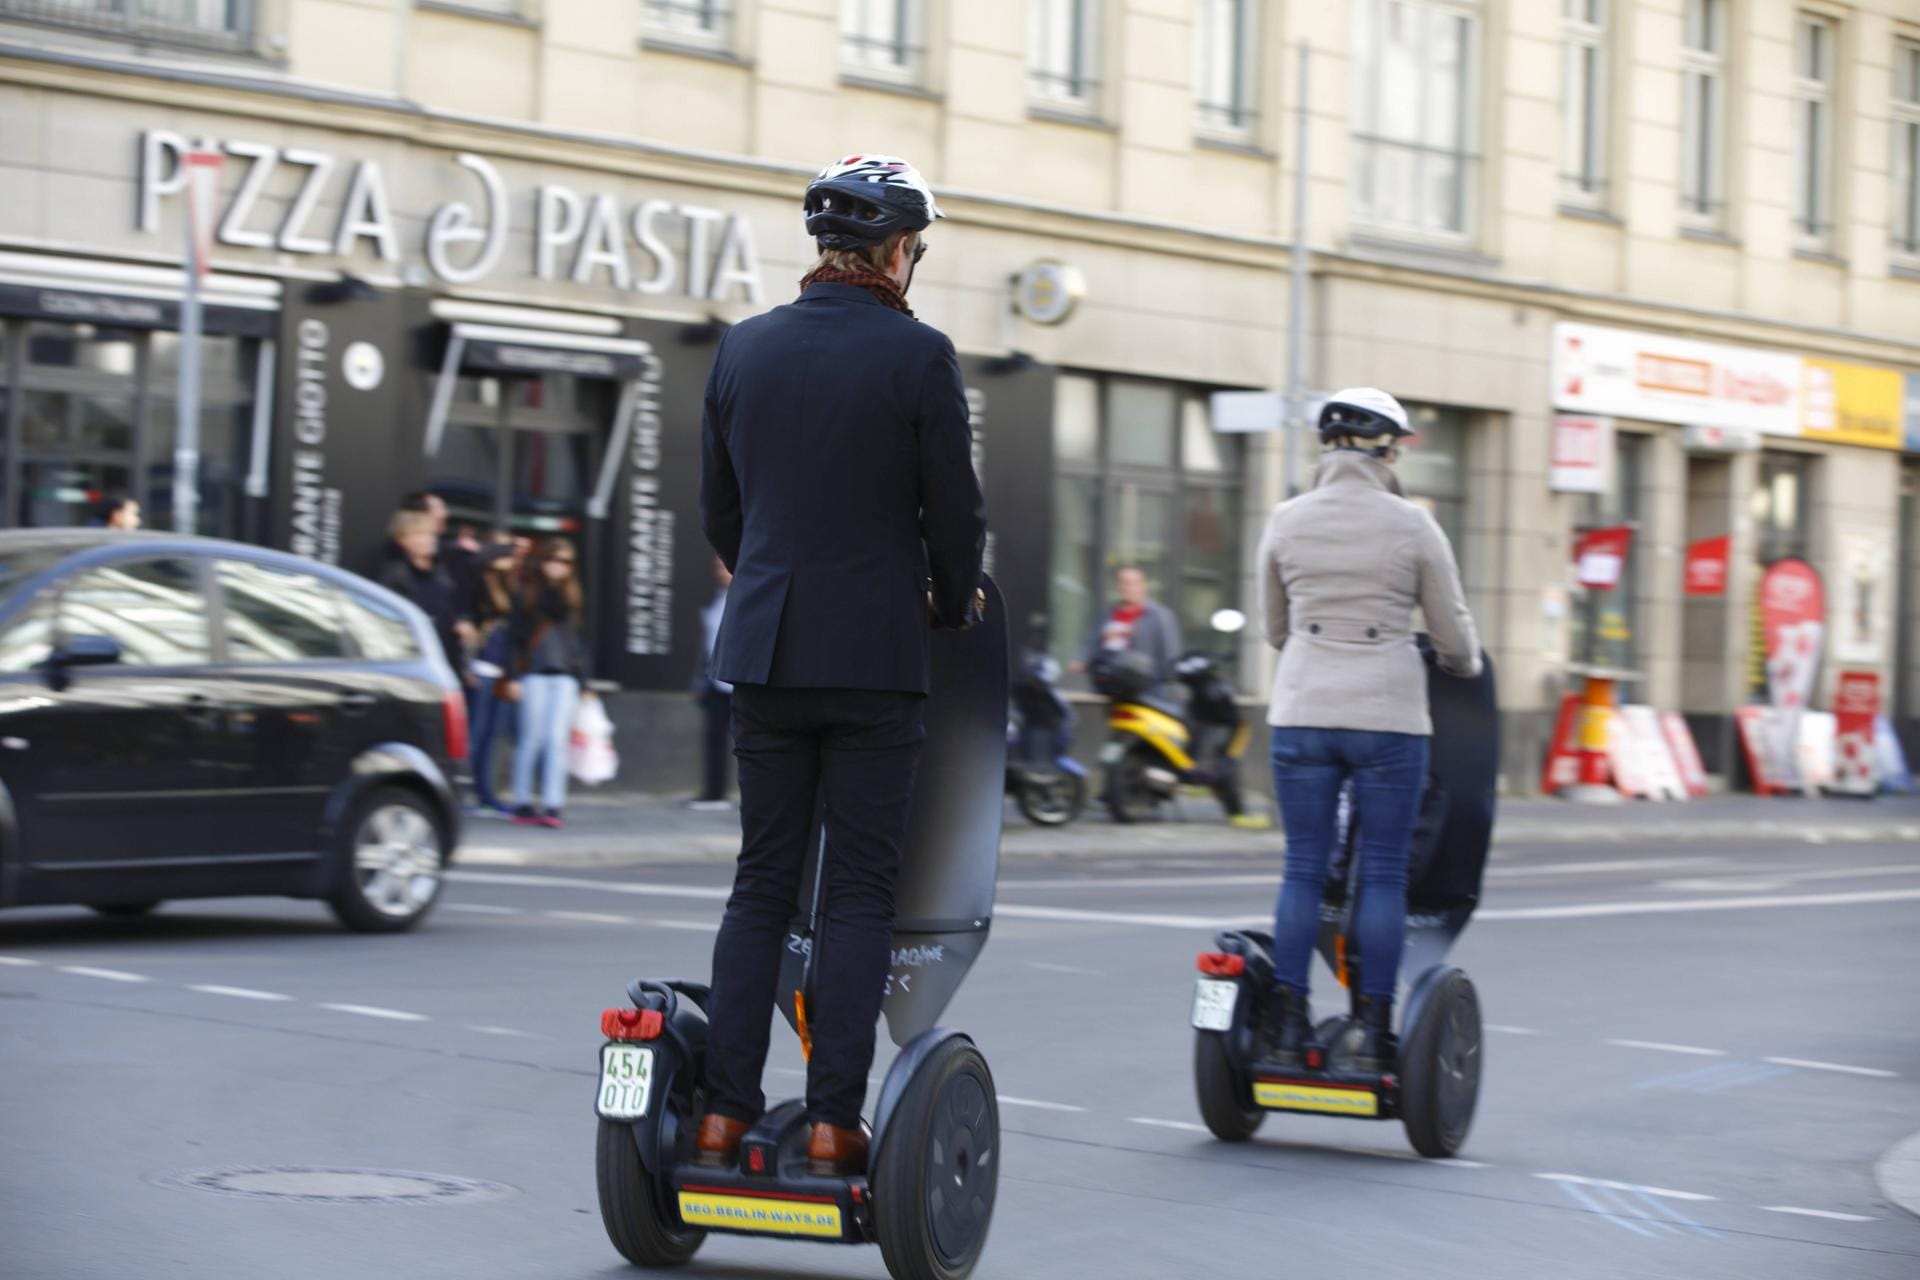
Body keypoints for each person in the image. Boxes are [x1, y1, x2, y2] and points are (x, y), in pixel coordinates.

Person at [693, 153, 986, 1176]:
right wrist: (952, 600)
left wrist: (768, 572)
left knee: (761, 882)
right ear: (899, 251)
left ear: (825, 248)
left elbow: (719, 510)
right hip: (873, 660)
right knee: (859, 890)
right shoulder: (920, 356)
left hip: (766, 652)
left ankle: (724, 1113)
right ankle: (832, 1121)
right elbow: (956, 513)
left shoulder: (746, 348)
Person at [1254, 387, 1481, 1073]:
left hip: (1302, 712)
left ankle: (1290, 1024)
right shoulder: (1413, 526)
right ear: (1388, 448)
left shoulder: (1286, 520)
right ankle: (1373, 1032)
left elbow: (1273, 627)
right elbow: (1453, 633)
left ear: (1327, 447)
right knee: (1381, 874)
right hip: (1386, 719)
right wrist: (1460, 663)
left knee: (1301, 869)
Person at [506, 537, 591, 829]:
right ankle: (522, 801)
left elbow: (579, 643)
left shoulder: (574, 597)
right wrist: (513, 677)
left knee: (556, 742)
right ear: (544, 560)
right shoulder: (528, 593)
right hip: (534, 673)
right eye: (555, 559)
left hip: (565, 676)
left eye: (566, 562)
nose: (559, 566)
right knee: (531, 739)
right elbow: (515, 639)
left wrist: (585, 682)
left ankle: (553, 805)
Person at [466, 531, 525, 816]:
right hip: (478, 667)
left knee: (491, 735)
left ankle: (484, 794)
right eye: (505, 552)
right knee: (474, 735)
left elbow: (513, 636)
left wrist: (512, 675)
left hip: (499, 669)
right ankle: (463, 793)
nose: (511, 557)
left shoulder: (509, 586)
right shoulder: (476, 581)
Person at [379, 510, 463, 674]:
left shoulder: (442, 574)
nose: (428, 540)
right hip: (413, 665)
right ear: (402, 540)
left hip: (446, 663)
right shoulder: (395, 577)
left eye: (430, 534)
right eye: (419, 534)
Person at [1073, 566, 1182, 690]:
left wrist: (1171, 681)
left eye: (1133, 583)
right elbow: (1091, 641)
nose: (1127, 588)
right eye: (1123, 583)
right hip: (1108, 683)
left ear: (1143, 586)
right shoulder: (1107, 613)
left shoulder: (1160, 616)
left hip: (1144, 687)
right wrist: (1080, 660)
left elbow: (1170, 652)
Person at [688, 556, 735, 812]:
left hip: (740, 684)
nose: (721, 572)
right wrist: (698, 683)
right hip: (715, 683)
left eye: (725, 566)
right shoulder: (715, 600)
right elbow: (705, 648)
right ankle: (714, 792)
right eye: (717, 567)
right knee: (713, 738)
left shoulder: (746, 598)